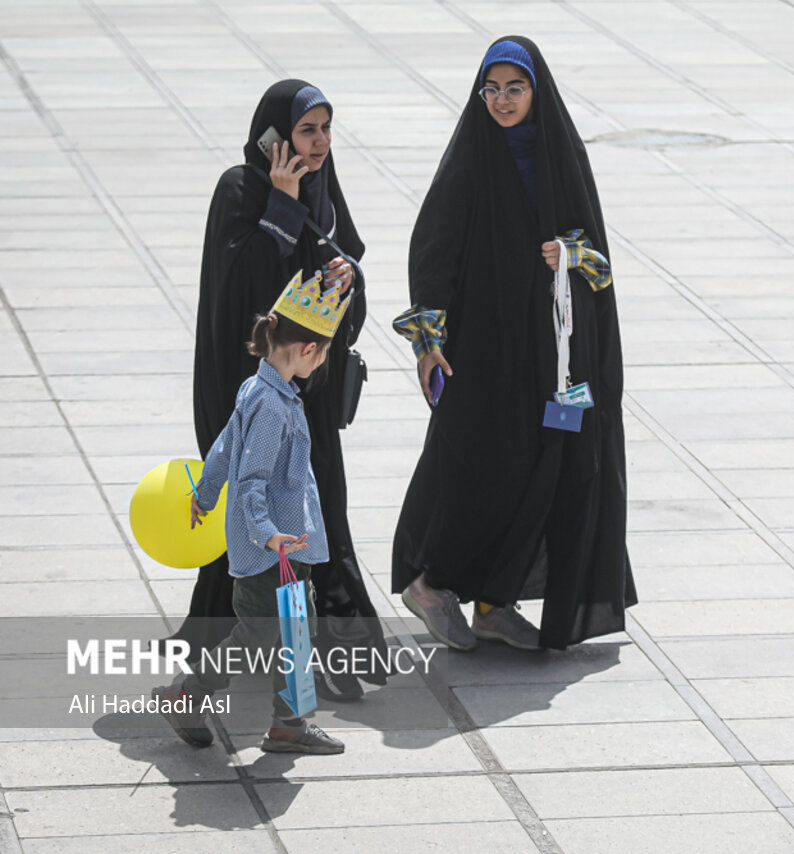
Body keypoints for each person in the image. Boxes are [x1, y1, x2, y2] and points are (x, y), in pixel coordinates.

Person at [391, 37, 636, 652]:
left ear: (537, 92)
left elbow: (602, 265)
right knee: (479, 465)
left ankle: (494, 605)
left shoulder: (562, 154)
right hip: (483, 348)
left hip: (554, 356)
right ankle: (430, 583)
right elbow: (433, 251)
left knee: (547, 470)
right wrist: (427, 342)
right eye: (491, 90)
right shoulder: (473, 158)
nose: (501, 101)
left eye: (514, 89)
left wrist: (572, 253)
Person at [173, 79, 387, 699]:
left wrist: (350, 279)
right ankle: (235, 677)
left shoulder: (326, 195)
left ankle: (323, 655)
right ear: (274, 137)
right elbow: (242, 294)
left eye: (325, 130)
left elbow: (342, 300)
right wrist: (283, 205)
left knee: (320, 519)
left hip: (309, 395)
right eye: (305, 130)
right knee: (262, 526)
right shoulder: (240, 190)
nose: (318, 144)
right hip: (255, 391)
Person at [154, 270, 350, 754]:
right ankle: (187, 693)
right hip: (271, 549)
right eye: (324, 352)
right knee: (260, 634)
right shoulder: (271, 405)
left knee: (298, 629)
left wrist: (203, 493)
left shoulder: (258, 389)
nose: (322, 361)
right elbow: (252, 479)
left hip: (290, 541)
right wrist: (266, 534)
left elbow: (223, 448)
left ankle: (289, 726)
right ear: (308, 349)